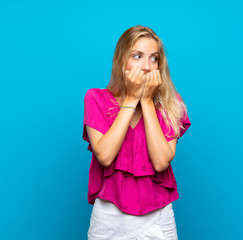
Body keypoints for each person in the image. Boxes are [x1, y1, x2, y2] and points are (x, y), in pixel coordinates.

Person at [83, 25, 191, 240]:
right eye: (137, 56)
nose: (146, 66)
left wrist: (147, 101)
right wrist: (132, 99)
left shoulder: (171, 102)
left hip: (158, 217)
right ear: (121, 60)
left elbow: (161, 162)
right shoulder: (95, 98)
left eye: (154, 58)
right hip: (108, 216)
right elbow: (104, 156)